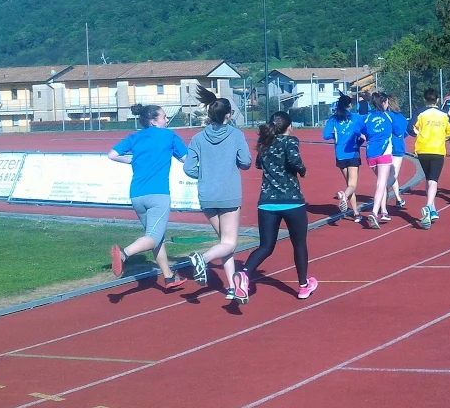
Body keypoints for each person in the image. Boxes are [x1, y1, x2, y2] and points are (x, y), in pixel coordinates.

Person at [232, 111, 317, 301]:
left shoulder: (265, 143)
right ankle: (303, 285)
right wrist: (302, 170)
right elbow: (294, 160)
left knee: (266, 246)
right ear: (289, 127)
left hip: (267, 202)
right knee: (299, 243)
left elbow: (259, 164)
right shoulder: (290, 141)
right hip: (291, 200)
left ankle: (245, 273)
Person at [107, 104, 188, 289]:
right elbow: (186, 159)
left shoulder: (135, 136)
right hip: (158, 194)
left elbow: (112, 155)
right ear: (154, 120)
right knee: (153, 236)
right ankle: (123, 254)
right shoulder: (169, 135)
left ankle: (168, 277)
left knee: (155, 237)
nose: (167, 120)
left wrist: (133, 160)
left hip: (137, 195)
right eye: (164, 117)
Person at [184, 88, 253, 292]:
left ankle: (233, 287)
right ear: (229, 115)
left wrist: (206, 176)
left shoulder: (197, 138)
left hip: (207, 196)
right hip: (229, 194)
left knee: (224, 242)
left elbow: (188, 168)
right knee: (230, 243)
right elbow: (246, 162)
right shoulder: (236, 135)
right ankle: (202, 258)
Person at [412, 88, 450, 228]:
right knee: (433, 180)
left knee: (429, 178)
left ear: (425, 100)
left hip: (422, 149)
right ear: (437, 100)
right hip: (437, 150)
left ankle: (433, 208)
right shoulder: (443, 115)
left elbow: (409, 128)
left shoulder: (420, 113)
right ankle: (429, 206)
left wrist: (419, 134)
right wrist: (442, 137)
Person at [322, 94, 365, 222]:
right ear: (350, 105)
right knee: (352, 185)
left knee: (349, 183)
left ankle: (356, 213)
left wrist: (335, 135)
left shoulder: (333, 119)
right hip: (352, 153)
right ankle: (344, 196)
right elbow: (363, 132)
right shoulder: (356, 117)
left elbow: (325, 136)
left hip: (340, 154)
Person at [361, 92, 395, 228]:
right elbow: (399, 131)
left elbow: (358, 131)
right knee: (381, 183)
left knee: (382, 182)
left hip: (370, 154)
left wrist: (367, 138)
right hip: (384, 152)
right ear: (383, 103)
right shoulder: (389, 116)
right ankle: (374, 212)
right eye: (386, 102)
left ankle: (384, 211)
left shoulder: (366, 118)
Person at [387, 94, 410, 209]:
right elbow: (405, 133)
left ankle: (398, 198)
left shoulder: (385, 115)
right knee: (394, 175)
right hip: (398, 148)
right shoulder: (401, 117)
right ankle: (384, 189)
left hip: (385, 147)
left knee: (391, 175)